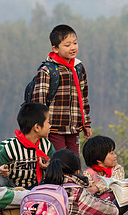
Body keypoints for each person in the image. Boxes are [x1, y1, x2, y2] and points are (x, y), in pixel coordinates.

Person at [31, 24, 91, 154]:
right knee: (57, 162)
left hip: (74, 127)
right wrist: (42, 128)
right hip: (54, 128)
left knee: (74, 163)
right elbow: (39, 103)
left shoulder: (78, 67)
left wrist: (86, 123)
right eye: (67, 45)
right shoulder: (48, 70)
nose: (73, 47)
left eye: (75, 43)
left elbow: (83, 98)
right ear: (55, 48)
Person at [0, 102, 55, 189]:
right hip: (12, 188)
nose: (50, 126)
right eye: (48, 122)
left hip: (36, 188)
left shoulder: (47, 146)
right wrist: (1, 169)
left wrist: (49, 167)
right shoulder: (9, 147)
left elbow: (55, 166)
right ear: (37, 127)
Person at [82, 136, 126, 207]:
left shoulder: (117, 169)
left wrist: (95, 188)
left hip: (116, 206)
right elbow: (87, 190)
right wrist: (106, 185)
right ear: (99, 159)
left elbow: (114, 183)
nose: (115, 156)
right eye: (111, 153)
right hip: (96, 206)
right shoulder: (88, 173)